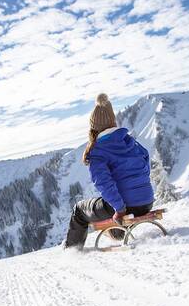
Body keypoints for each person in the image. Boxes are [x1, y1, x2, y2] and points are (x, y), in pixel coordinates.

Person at [64, 93, 155, 249]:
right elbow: (145, 159)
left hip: (125, 207)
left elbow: (104, 182)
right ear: (113, 120)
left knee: (79, 209)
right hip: (147, 202)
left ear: (93, 126)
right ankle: (116, 231)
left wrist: (119, 209)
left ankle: (72, 251)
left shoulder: (97, 150)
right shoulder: (129, 141)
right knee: (107, 202)